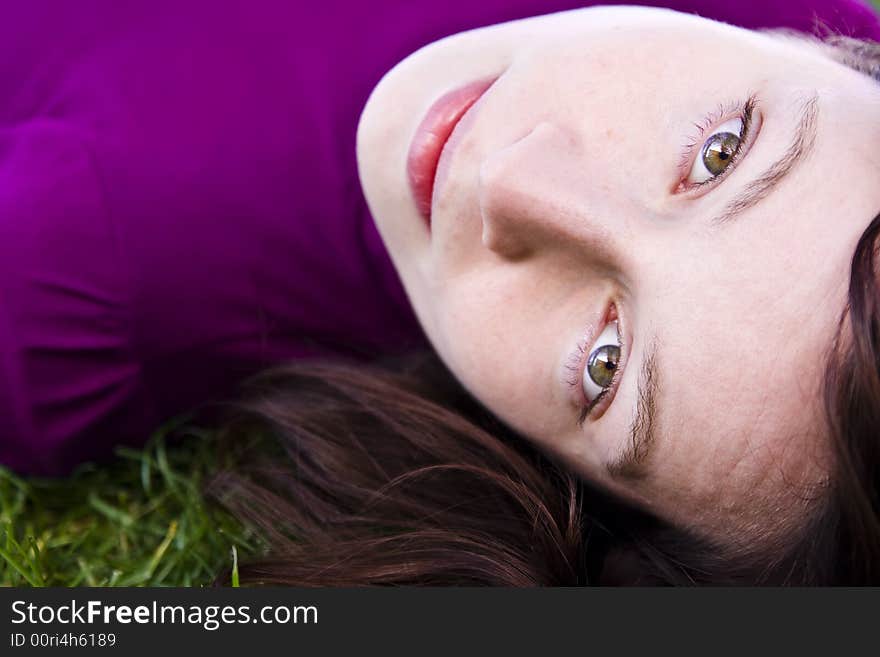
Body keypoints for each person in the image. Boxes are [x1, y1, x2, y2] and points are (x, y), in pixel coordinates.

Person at [2, 1, 880, 583]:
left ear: (573, 487)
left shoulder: (66, 292)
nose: (509, 181)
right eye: (720, 152)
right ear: (836, 48)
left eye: (605, 363)